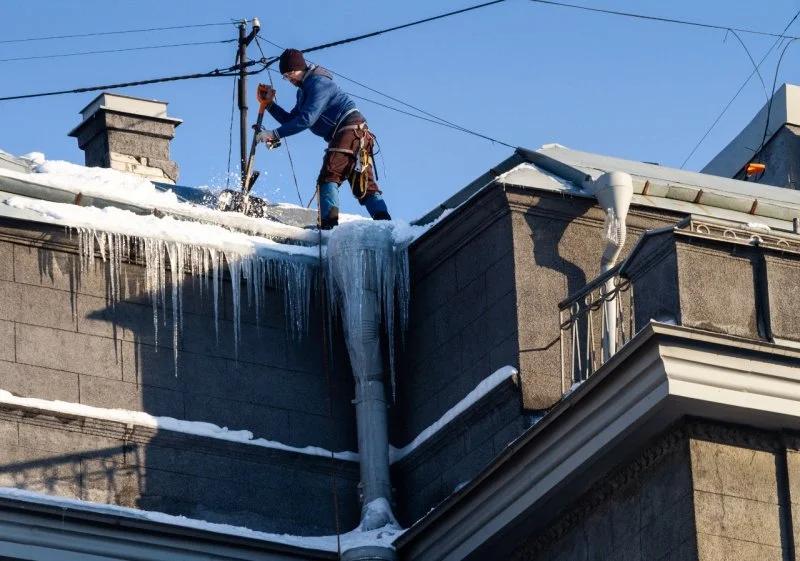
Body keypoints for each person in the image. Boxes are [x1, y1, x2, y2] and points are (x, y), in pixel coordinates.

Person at [256, 48, 391, 229]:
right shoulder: (304, 90)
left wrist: (274, 134)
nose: (289, 79)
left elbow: (306, 119)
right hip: (355, 133)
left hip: (348, 130)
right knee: (364, 185)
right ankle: (385, 224)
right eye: (285, 76)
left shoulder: (318, 83)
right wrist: (270, 105)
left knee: (328, 177)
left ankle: (329, 227)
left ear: (300, 68)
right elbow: (292, 120)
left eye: (290, 73)